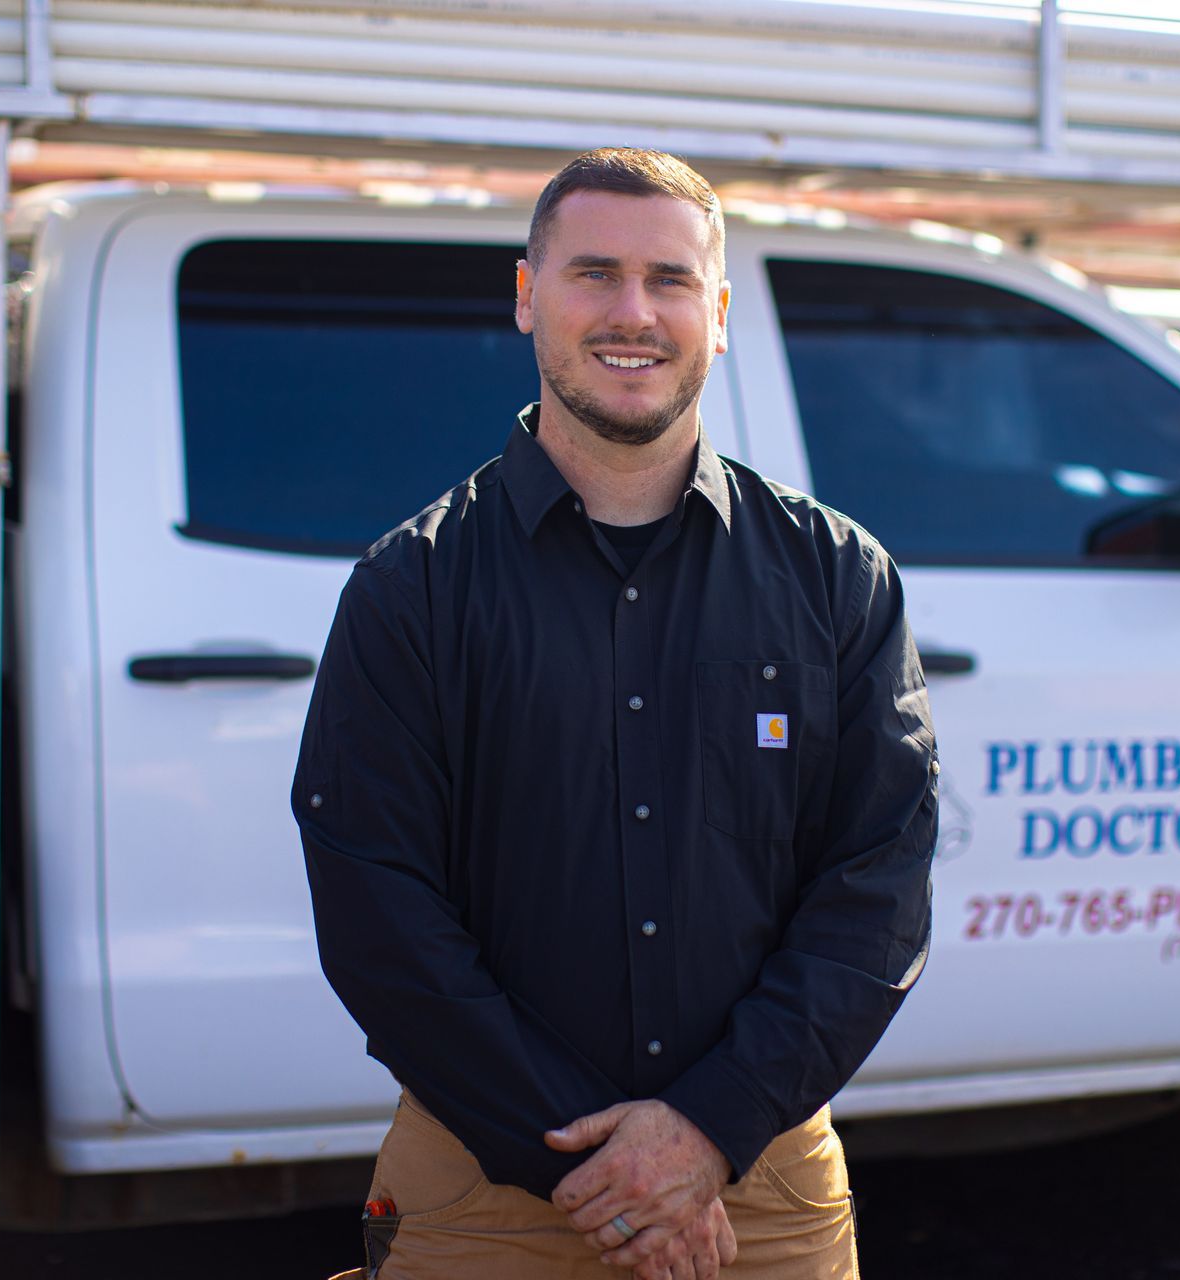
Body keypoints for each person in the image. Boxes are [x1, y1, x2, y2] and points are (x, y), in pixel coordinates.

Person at [293, 147, 937, 1280]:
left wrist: (707, 1127)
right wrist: (601, 1169)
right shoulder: (413, 587)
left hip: (762, 1192)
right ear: (527, 295)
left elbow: (877, 887)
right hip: (487, 1191)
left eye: (671, 280)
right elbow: (378, 912)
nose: (633, 312)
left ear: (719, 312)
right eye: (595, 273)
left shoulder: (838, 577)